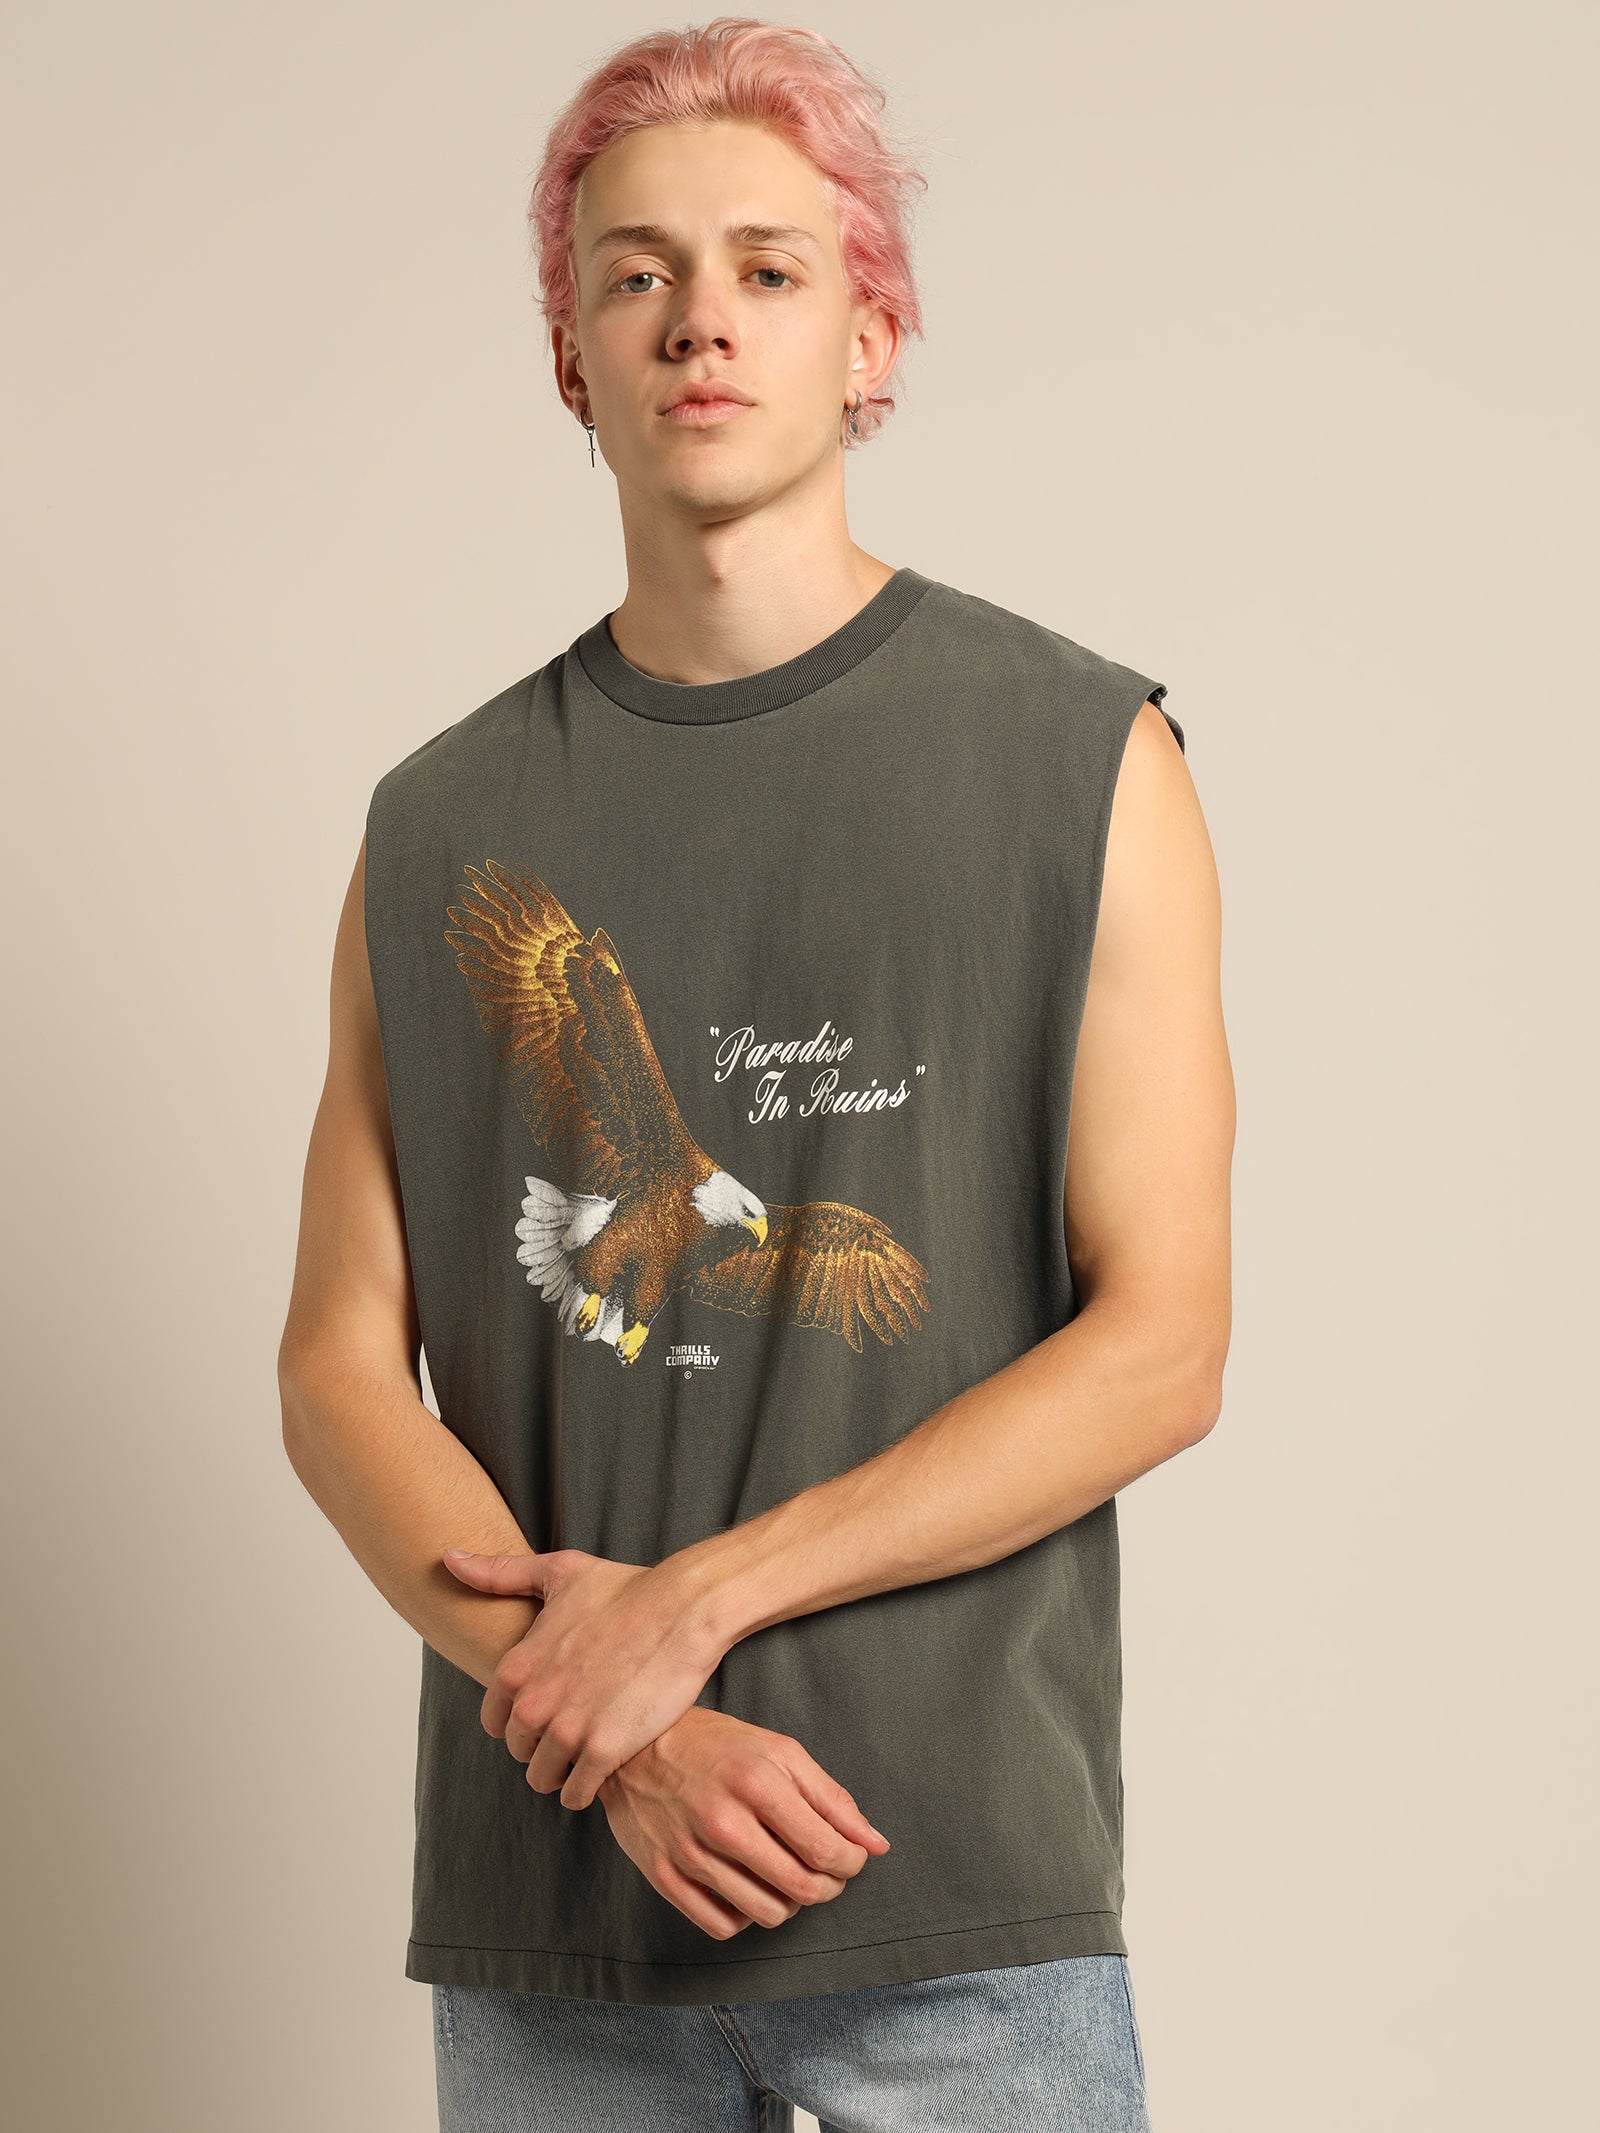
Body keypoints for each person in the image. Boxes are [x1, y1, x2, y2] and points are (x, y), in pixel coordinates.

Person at [278, 17, 1234, 2130]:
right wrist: (611, 1721)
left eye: (768, 269)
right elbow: (340, 1370)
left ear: (867, 338)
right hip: (559, 1921)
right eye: (636, 273)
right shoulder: (434, 827)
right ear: (571, 355)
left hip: (953, 1900)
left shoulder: (1080, 759)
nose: (698, 318)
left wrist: (696, 1602)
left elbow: (1162, 1345)